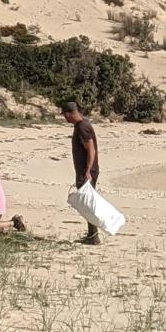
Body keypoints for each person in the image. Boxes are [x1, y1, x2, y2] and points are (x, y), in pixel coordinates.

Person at [61, 101, 100, 245]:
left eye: (65, 115)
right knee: (87, 202)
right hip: (85, 171)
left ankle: (93, 236)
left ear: (69, 113)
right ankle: (92, 234)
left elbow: (91, 149)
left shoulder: (82, 127)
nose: (65, 119)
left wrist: (88, 171)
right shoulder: (81, 125)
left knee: (87, 203)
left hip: (87, 172)